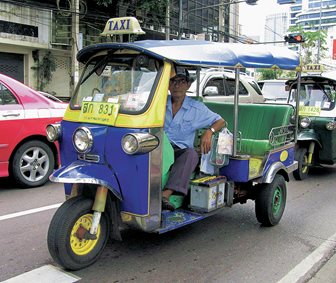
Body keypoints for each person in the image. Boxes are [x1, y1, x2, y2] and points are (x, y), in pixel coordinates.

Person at [162, 68, 226, 211]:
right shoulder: (159, 103)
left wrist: (210, 131)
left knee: (191, 154)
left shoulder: (196, 108)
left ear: (188, 85)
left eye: (181, 81)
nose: (177, 85)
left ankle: (165, 195)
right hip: (158, 146)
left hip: (179, 151)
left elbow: (220, 121)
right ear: (167, 84)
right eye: (173, 81)